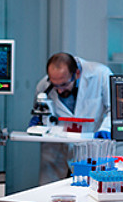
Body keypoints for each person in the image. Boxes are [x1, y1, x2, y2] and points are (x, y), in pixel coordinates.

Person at [30, 52, 112, 185]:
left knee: (89, 193)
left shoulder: (100, 75)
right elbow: (41, 115)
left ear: (77, 74)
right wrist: (38, 122)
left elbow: (113, 109)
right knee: (51, 195)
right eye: (55, 86)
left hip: (90, 150)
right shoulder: (43, 86)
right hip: (56, 154)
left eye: (63, 85)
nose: (60, 91)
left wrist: (106, 128)